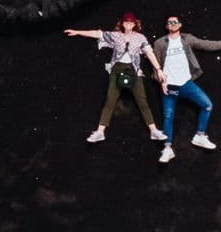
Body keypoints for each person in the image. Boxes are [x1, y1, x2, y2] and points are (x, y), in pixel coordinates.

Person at [63, 13, 166, 144]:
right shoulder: (116, 35)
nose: (128, 24)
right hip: (117, 69)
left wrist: (158, 69)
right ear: (123, 23)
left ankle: (153, 130)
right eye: (126, 22)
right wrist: (78, 32)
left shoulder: (140, 38)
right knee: (110, 99)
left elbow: (149, 53)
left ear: (135, 24)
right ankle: (100, 132)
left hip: (133, 70)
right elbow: (97, 33)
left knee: (142, 100)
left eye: (131, 22)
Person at [151, 14, 221, 162]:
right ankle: (167, 149)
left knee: (207, 105)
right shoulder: (160, 43)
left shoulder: (187, 39)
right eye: (169, 22)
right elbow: (156, 65)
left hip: (186, 84)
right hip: (169, 86)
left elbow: (205, 44)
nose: (172, 24)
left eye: (175, 22)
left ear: (180, 25)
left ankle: (200, 136)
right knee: (168, 116)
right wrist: (162, 83)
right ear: (167, 26)